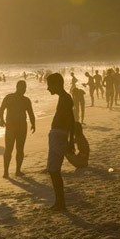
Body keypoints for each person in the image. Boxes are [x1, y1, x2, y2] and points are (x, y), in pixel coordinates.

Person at [45, 73, 75, 211]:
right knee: (53, 170)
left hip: (60, 135)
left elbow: (71, 120)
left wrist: (70, 140)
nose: (48, 88)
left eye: (49, 85)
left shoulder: (65, 98)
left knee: (54, 170)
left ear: (56, 84)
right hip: (58, 134)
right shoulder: (63, 98)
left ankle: (60, 203)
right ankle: (59, 202)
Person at [0, 80, 36, 178]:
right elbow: (1, 109)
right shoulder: (9, 97)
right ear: (17, 87)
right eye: (22, 87)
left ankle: (18, 171)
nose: (24, 90)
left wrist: (33, 123)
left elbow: (31, 113)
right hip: (11, 127)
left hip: (22, 127)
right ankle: (6, 172)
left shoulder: (26, 100)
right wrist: (1, 120)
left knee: (20, 149)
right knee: (8, 149)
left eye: (25, 88)